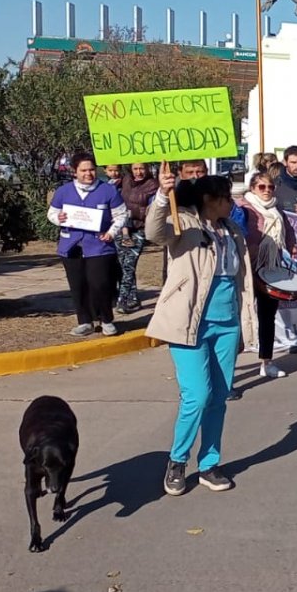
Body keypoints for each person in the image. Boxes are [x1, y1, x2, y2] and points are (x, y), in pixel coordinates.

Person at [145, 168, 255, 497]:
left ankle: (209, 464)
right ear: (210, 200)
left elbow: (240, 278)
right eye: (226, 198)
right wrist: (164, 196)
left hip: (226, 324)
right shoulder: (184, 225)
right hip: (188, 323)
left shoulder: (232, 229)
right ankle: (177, 461)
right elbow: (154, 232)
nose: (231, 203)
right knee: (197, 395)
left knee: (219, 397)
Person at [48, 152, 129, 337]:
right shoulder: (64, 191)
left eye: (92, 169)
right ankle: (84, 321)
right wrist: (58, 219)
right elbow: (52, 213)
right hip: (71, 246)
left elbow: (122, 215)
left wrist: (111, 233)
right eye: (83, 170)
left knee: (100, 284)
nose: (88, 174)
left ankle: (106, 319)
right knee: (78, 285)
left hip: (100, 246)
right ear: (74, 171)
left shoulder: (107, 190)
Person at [238, 171, 296, 380]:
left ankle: (266, 361)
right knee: (240, 314)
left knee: (267, 316)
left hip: (271, 268)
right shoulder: (244, 208)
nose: (267, 191)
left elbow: (288, 231)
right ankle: (228, 365)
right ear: (253, 188)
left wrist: (292, 246)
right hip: (246, 268)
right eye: (262, 187)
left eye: (270, 187)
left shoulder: (277, 208)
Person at [115, 162, 158, 314]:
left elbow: (154, 208)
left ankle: (122, 299)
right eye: (135, 169)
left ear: (147, 169)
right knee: (123, 265)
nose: (138, 172)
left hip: (139, 229)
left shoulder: (153, 185)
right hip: (122, 227)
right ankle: (133, 299)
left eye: (142, 168)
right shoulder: (125, 180)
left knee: (129, 265)